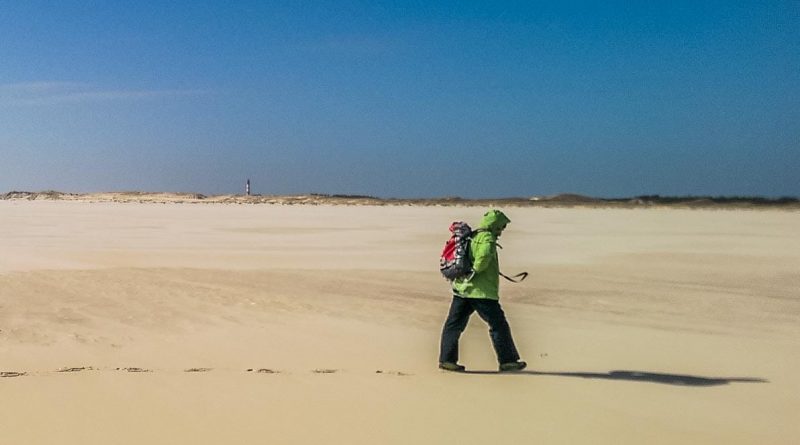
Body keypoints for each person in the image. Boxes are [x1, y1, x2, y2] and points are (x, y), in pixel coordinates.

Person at [438, 209, 527, 372]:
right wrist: (475, 271)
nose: (501, 231)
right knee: (498, 325)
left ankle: (447, 360)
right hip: (481, 292)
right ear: (494, 225)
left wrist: (468, 276)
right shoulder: (487, 238)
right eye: (501, 227)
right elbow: (483, 258)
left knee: (454, 324)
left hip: (462, 289)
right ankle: (508, 361)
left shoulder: (473, 235)